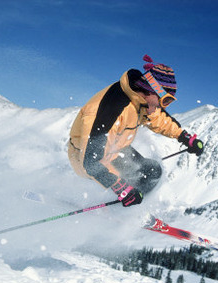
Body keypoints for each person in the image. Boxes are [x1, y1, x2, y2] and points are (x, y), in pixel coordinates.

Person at [68, 55, 204, 207]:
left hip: (116, 150)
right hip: (86, 157)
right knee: (129, 183)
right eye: (166, 99)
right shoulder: (112, 109)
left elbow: (159, 119)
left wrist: (185, 138)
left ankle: (134, 203)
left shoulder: (141, 101)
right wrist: (122, 190)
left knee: (152, 171)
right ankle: (120, 207)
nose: (164, 106)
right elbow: (91, 162)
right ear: (152, 90)